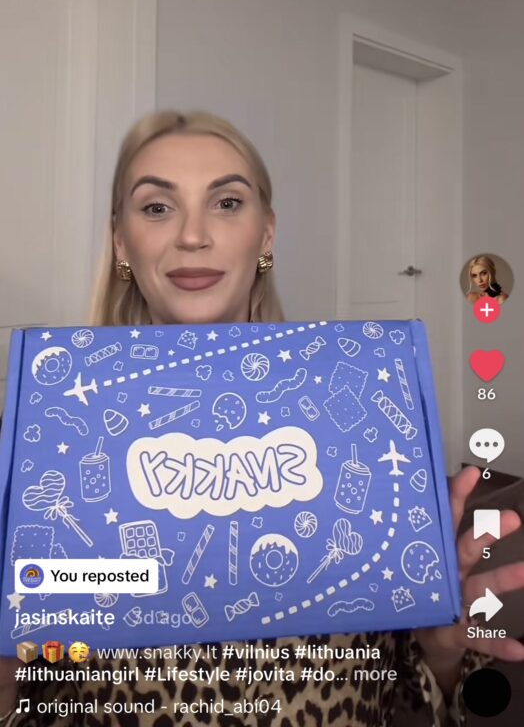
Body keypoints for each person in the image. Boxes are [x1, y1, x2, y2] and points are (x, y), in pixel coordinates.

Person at [1, 110, 523, 727]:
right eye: (157, 207)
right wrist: (12, 657)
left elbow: (408, 695)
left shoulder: (360, 418)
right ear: (121, 242)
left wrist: (439, 647)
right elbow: (32, 696)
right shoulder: (54, 440)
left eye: (226, 202)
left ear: (266, 235)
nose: (193, 235)